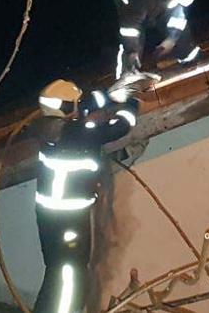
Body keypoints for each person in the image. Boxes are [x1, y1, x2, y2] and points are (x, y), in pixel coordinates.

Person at [32, 78, 141, 313]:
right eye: (75, 103)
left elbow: (88, 104)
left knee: (56, 273)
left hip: (52, 219)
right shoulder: (79, 134)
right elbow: (121, 126)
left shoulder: (51, 129)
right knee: (69, 277)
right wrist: (132, 102)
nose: (80, 106)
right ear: (65, 108)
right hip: (68, 221)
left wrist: (111, 94)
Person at [112, 0, 202, 82]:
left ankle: (188, 58)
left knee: (177, 21)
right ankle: (127, 75)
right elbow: (130, 27)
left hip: (157, 2)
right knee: (135, 38)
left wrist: (171, 39)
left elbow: (178, 18)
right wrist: (132, 50)